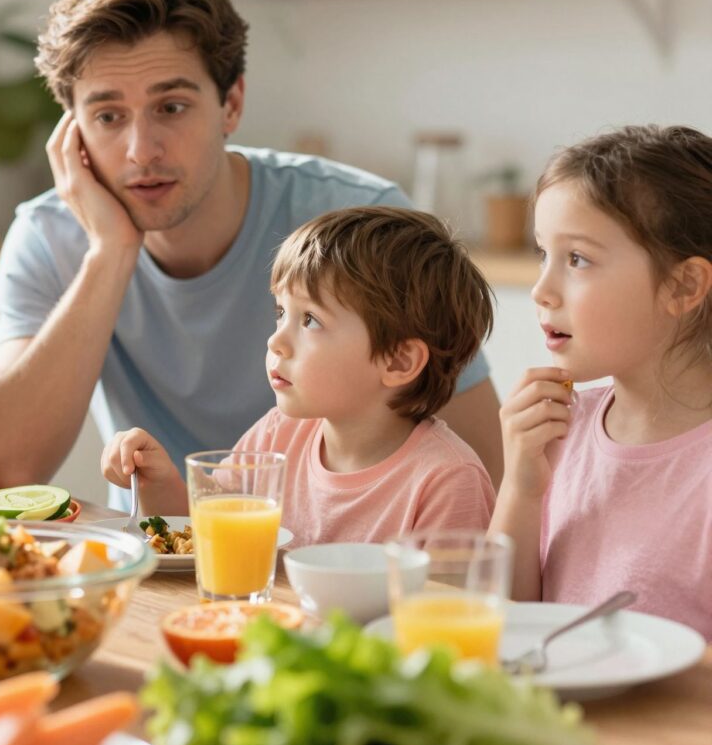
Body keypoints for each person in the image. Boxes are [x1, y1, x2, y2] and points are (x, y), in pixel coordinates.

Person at [0, 0, 502, 508]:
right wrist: (110, 252)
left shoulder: (357, 221)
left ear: (231, 104)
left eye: (171, 106)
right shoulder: (48, 237)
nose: (140, 150)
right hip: (164, 561)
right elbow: (13, 467)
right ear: (73, 132)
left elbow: (483, 467)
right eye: (107, 116)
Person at [103, 207, 496, 544]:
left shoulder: (447, 481)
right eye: (280, 313)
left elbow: (445, 617)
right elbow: (208, 535)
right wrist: (158, 482)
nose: (277, 341)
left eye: (310, 320)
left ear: (398, 361)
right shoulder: (279, 433)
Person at [491, 125, 712, 639]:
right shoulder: (559, 428)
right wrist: (521, 487)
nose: (542, 290)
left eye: (577, 259)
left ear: (682, 286)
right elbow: (505, 623)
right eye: (543, 254)